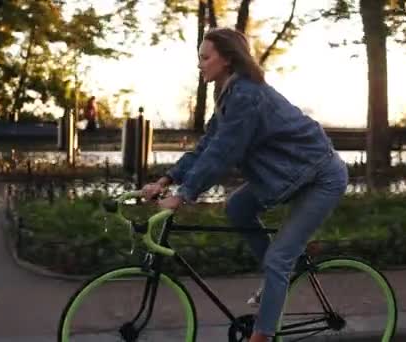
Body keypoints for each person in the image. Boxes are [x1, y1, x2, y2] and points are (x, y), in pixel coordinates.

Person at [141, 27, 348, 342]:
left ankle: (263, 335)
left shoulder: (246, 94)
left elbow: (224, 153)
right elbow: (208, 146)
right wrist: (166, 180)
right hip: (292, 174)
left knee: (279, 258)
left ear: (226, 59)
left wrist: (183, 196)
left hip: (320, 177)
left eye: (205, 57)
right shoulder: (228, 94)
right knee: (238, 207)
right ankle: (278, 277)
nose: (200, 64)